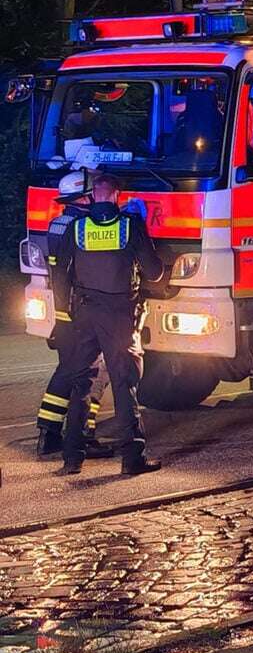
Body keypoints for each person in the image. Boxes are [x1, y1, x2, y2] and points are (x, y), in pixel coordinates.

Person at [51, 173, 164, 476]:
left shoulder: (78, 228)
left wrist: (64, 311)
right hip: (119, 314)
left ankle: (72, 458)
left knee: (82, 384)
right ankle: (132, 460)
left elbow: (60, 273)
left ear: (92, 197)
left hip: (85, 313)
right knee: (123, 383)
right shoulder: (130, 226)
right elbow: (153, 273)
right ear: (117, 195)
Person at [35, 171, 114, 459]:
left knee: (67, 369)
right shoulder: (83, 225)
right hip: (81, 310)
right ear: (83, 197)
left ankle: (49, 432)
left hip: (63, 311)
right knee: (95, 373)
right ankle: (83, 436)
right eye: (93, 193)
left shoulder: (57, 223)